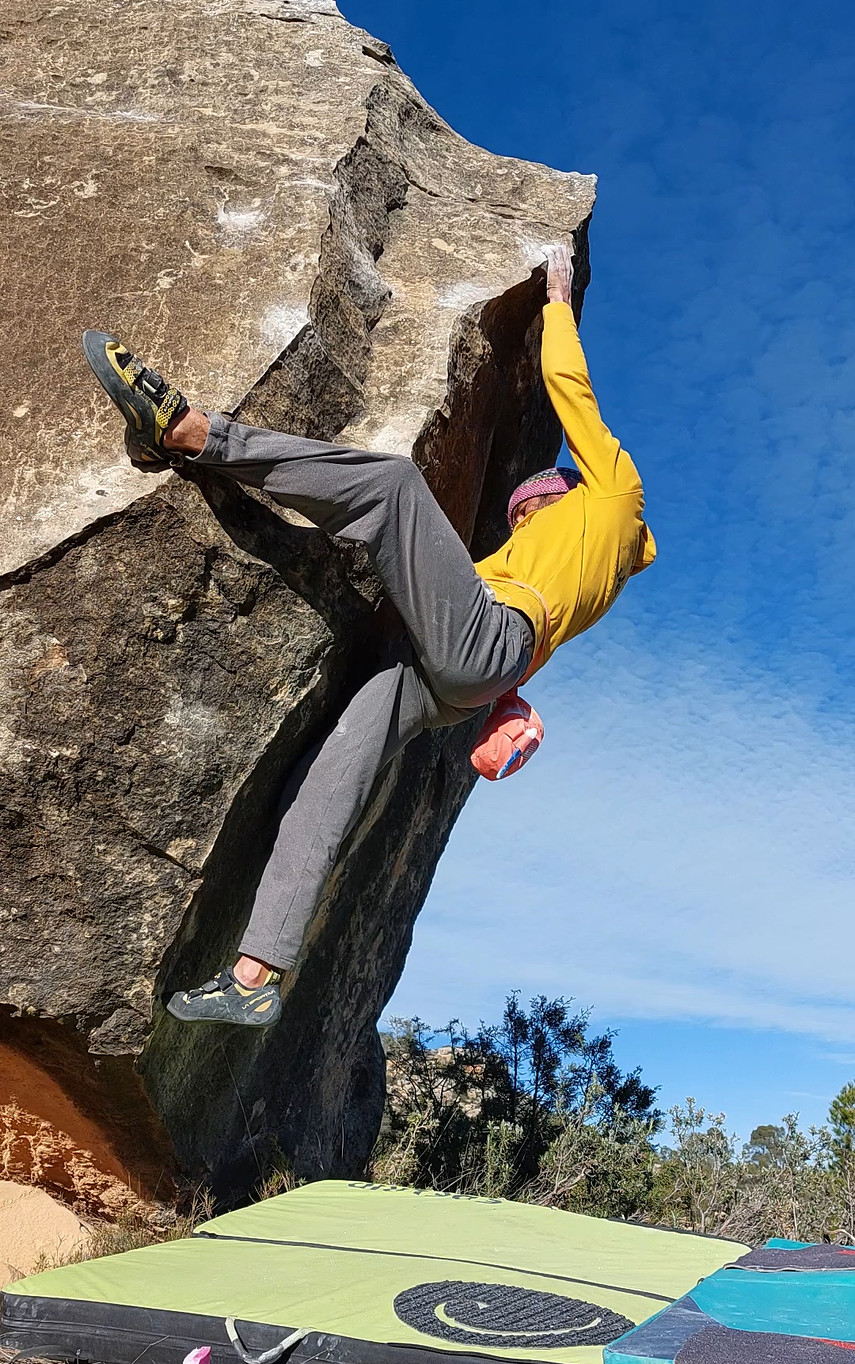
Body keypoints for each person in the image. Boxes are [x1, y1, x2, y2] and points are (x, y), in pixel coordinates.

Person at [82, 242, 655, 1030]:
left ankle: (190, 432)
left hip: (484, 644)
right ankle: (255, 976)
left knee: (391, 487)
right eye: (516, 512)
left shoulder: (614, 496)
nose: (518, 516)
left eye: (528, 505)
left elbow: (569, 394)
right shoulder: (562, 561)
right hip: (459, 675)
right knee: (329, 779)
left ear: (563, 491)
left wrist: (557, 302)